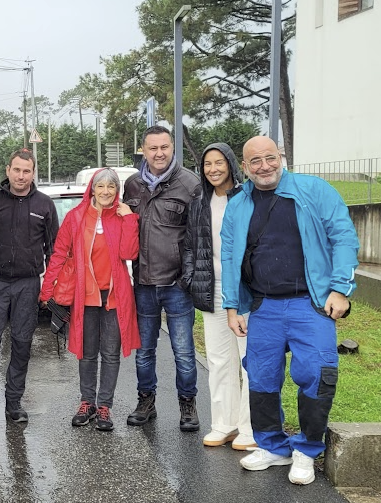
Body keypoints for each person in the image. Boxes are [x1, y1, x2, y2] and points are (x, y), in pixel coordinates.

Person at [221, 136, 359, 485]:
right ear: (245, 167)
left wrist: (340, 289)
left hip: (310, 304)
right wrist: (232, 305)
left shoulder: (315, 190)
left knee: (317, 374)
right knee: (261, 377)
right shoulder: (239, 204)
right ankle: (273, 446)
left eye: (270, 157)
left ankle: (306, 450)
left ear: (280, 157)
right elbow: (229, 254)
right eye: (255, 161)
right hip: (263, 305)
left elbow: (343, 237)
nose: (264, 166)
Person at [0, 148, 59, 428]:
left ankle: (14, 403)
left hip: (28, 285)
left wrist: (51, 285)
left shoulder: (44, 205)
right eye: (16, 170)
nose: (21, 176)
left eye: (26, 171)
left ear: (33, 173)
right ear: (8, 171)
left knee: (21, 344)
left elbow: (54, 249)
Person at [39, 168, 140, 430]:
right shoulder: (75, 217)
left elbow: (129, 253)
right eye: (101, 186)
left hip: (114, 295)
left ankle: (104, 406)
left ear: (117, 191)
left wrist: (130, 219)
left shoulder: (121, 217)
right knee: (86, 352)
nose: (106, 191)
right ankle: (87, 402)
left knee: (110, 353)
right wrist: (47, 289)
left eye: (111, 187)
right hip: (84, 295)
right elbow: (59, 254)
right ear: (92, 189)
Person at [123, 125, 202, 431]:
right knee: (144, 351)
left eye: (164, 147)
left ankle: (188, 404)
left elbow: (199, 237)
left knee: (184, 351)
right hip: (143, 284)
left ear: (172, 148)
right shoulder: (132, 185)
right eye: (153, 148)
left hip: (177, 286)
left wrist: (187, 278)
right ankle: (146, 401)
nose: (159, 153)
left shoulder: (190, 184)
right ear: (143, 150)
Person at [181, 143, 254, 450]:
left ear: (231, 164)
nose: (213, 169)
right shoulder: (199, 200)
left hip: (246, 291)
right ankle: (225, 423)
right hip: (211, 288)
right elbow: (189, 245)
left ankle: (250, 428)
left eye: (219, 162)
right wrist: (190, 277)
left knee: (250, 360)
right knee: (219, 359)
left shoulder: (248, 197)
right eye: (208, 164)